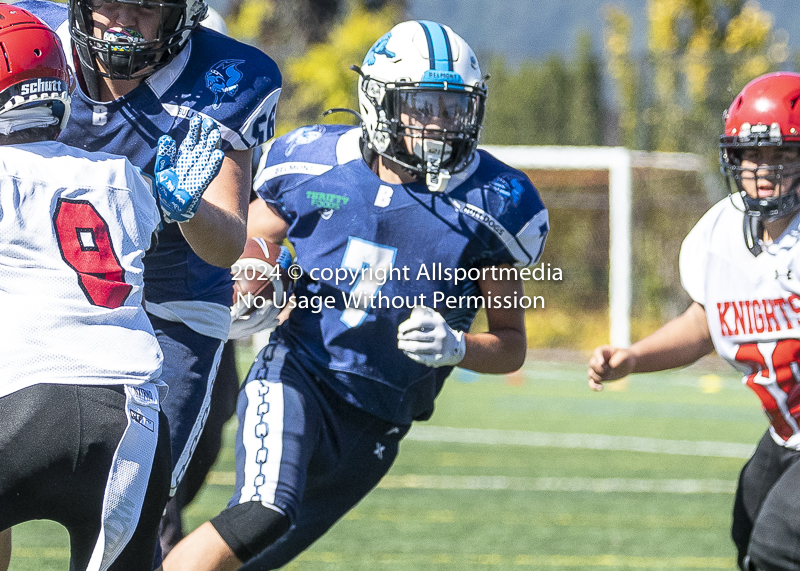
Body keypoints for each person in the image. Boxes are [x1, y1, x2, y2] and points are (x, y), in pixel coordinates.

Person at [162, 20, 549, 571]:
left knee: (249, 559)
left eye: (453, 108)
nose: (439, 124)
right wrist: (256, 284)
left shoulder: (497, 202)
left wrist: (458, 347)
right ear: (378, 100)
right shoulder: (314, 162)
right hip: (299, 374)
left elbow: (512, 344)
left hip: (383, 419)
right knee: (260, 512)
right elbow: (247, 241)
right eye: (422, 105)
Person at [18, 0, 282, 555]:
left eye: (142, 7)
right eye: (107, 2)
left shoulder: (228, 77)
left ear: (181, 16)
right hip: (42, 285)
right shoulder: (28, 32)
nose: (120, 20)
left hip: (170, 301)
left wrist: (188, 209)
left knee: (134, 508)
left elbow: (225, 245)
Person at [588, 71, 800, 571]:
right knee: (748, 528)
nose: (762, 170)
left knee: (778, 548)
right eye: (751, 155)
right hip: (786, 429)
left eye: (782, 155)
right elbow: (707, 321)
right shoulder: (722, 232)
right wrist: (635, 357)